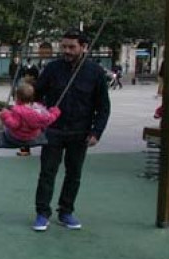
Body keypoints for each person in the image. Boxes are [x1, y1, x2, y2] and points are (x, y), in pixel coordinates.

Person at [31, 29, 111, 232]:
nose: (66, 50)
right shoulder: (52, 69)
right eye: (63, 46)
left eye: (71, 47)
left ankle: (66, 211)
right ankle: (42, 213)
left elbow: (103, 106)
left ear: (83, 47)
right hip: (53, 130)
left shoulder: (95, 72)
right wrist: (36, 115)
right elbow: (37, 95)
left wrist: (96, 132)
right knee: (47, 172)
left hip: (80, 131)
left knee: (74, 173)